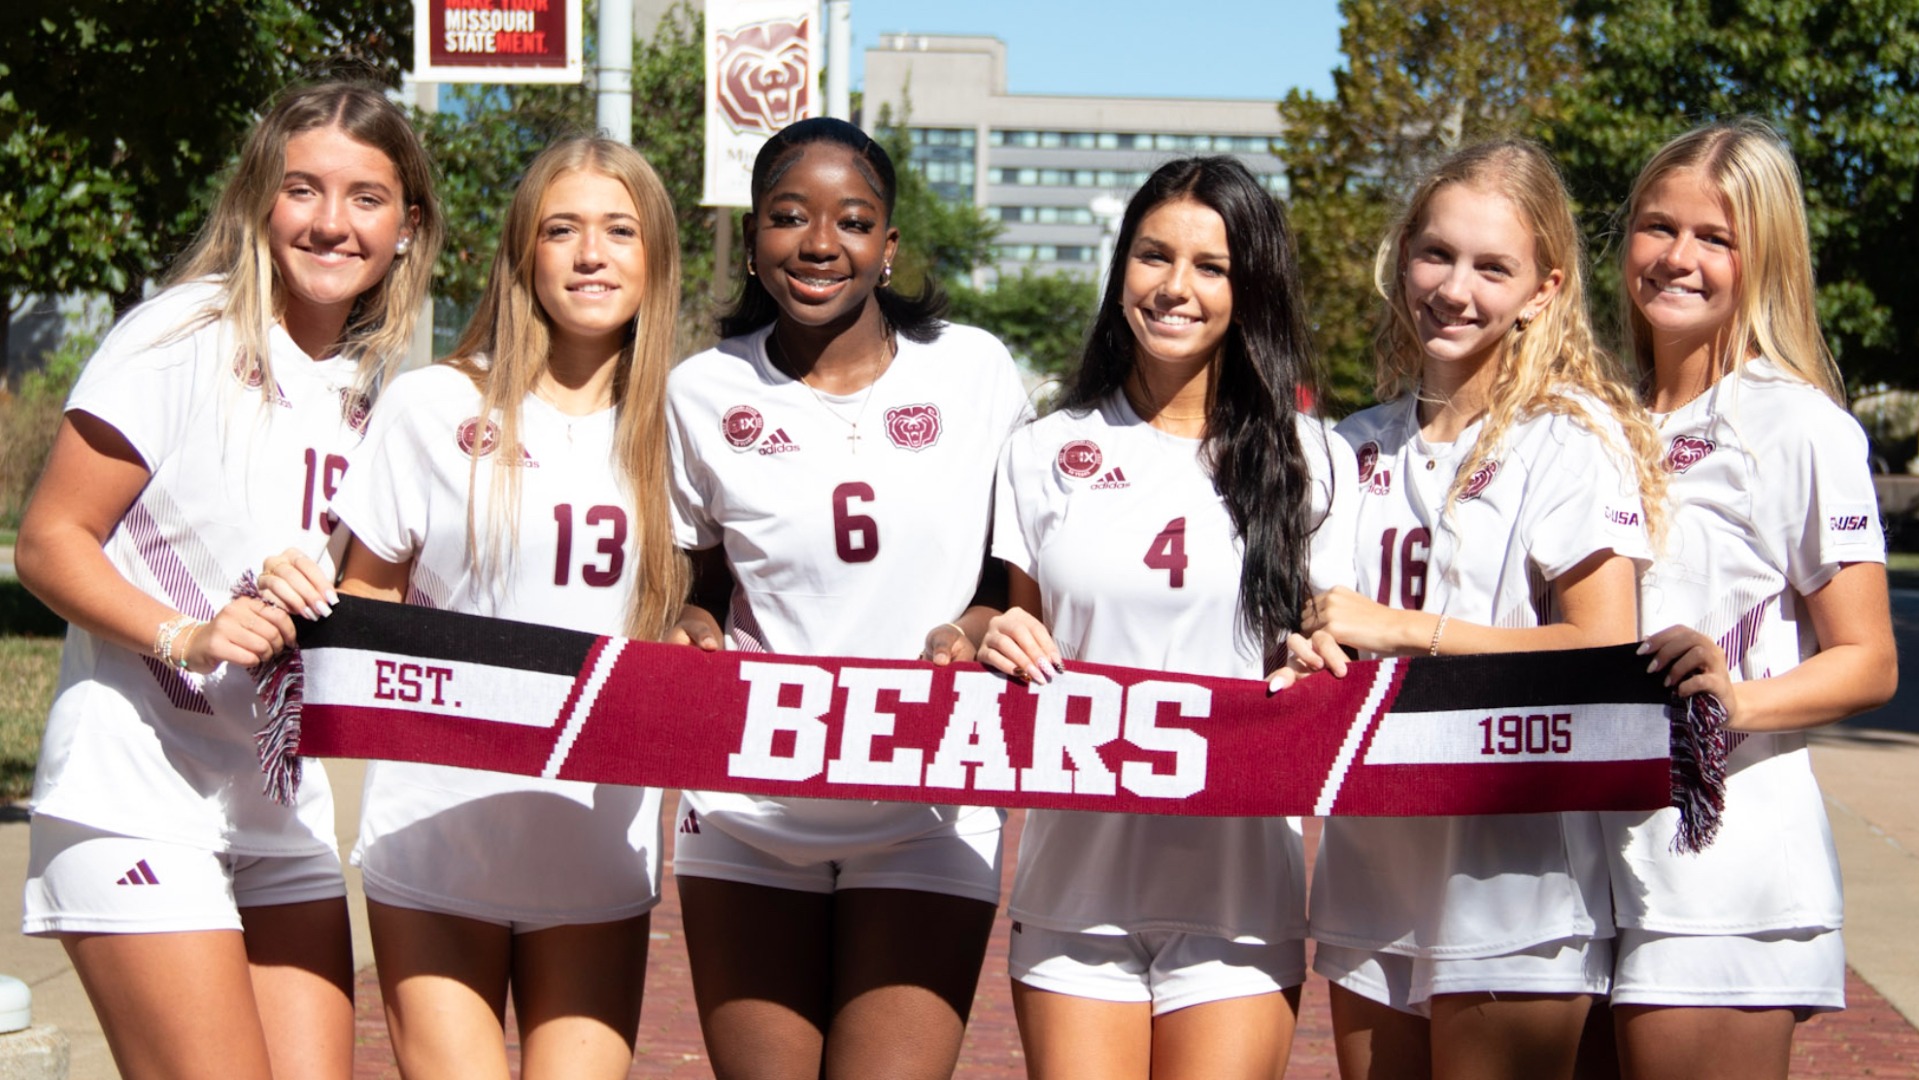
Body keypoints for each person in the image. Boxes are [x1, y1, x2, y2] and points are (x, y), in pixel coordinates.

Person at [15, 80, 440, 1080]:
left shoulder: (379, 389)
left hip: (276, 806)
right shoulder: (181, 336)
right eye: (303, 190)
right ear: (258, 200)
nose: (331, 223)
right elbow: (48, 539)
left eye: (366, 199)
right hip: (136, 793)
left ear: (407, 227)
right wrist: (188, 634)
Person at [264, 136, 687, 1079]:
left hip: (597, 852)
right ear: (522, 253)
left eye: (620, 230)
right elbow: (366, 597)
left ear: (655, 255)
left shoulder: (684, 427)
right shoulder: (430, 405)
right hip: (436, 843)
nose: (591, 254)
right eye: (561, 229)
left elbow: (707, 612)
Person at [975, 156, 1358, 1079]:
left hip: (1239, 899)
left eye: (1210, 266)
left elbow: (1330, 652)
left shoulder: (1314, 458)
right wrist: (985, 633)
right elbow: (1011, 646)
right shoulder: (1041, 451)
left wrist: (1315, 659)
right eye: (1153, 257)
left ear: (1249, 285)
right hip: (1074, 891)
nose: (1174, 287)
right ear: (1120, 272)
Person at [665, 116, 1030, 1080]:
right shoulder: (700, 391)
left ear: (889, 245)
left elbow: (1014, 577)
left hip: (928, 804)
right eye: (788, 217)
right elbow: (697, 584)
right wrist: (690, 625)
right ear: (750, 238)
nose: (820, 244)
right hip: (748, 806)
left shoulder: (975, 371)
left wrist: (975, 625)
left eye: (853, 221)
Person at [1296, 140, 1665, 1080]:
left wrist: (1404, 631)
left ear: (1541, 292)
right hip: (1371, 865)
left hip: (1515, 881)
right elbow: (1317, 625)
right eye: (1436, 254)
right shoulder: (1348, 445)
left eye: (1491, 267)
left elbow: (1603, 651)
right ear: (1402, 256)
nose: (1454, 288)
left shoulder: (1569, 440)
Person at [1599, 119, 1897, 1080]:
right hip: (1565, 849)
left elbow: (1868, 659)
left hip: (1719, 866)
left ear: (1760, 256)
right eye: (1656, 227)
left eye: (1714, 238)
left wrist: (1736, 701)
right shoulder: (1586, 413)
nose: (1677, 258)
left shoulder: (1799, 424)